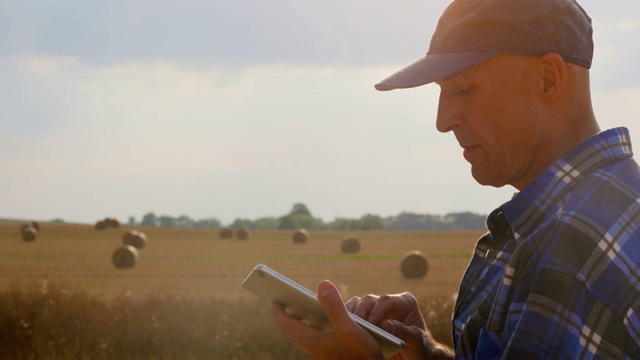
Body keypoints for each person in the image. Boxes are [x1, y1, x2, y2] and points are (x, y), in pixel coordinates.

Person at [272, 0, 640, 358]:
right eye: (442, 93)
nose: (442, 120)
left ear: (548, 77)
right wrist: (427, 354)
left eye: (463, 89)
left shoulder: (574, 242)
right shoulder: (596, 208)